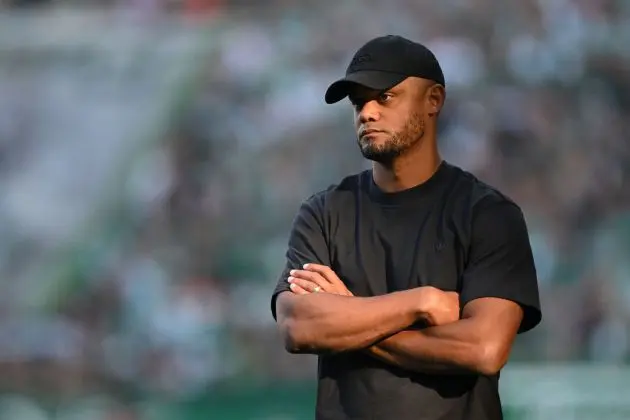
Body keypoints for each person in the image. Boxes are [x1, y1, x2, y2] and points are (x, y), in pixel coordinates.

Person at [270, 35, 542, 420]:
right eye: (358, 102)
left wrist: (348, 319)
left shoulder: (489, 215)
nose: (367, 113)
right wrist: (422, 302)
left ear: (433, 100)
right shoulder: (324, 212)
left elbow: (482, 348)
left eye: (385, 97)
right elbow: (298, 326)